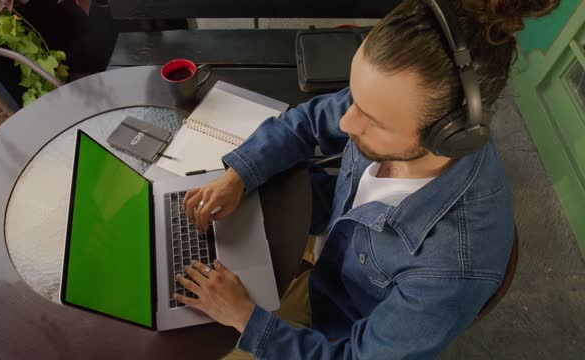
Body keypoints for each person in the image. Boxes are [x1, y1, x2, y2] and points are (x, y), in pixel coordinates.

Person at [171, 0, 559, 358]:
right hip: (324, 241)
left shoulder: (451, 270)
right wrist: (239, 174)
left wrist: (243, 317)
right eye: (355, 98)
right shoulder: (396, 99)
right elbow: (308, 122)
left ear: (448, 135)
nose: (345, 123)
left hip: (331, 327)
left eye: (372, 120)